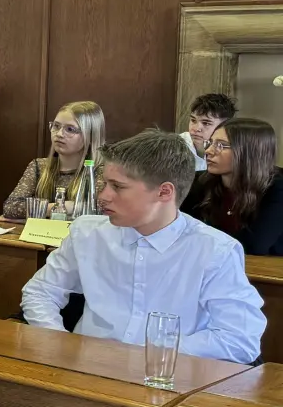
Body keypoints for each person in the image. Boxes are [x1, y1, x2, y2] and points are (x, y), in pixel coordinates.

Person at [20, 129, 264, 364]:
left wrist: (151, 355)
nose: (102, 196)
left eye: (118, 186)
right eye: (104, 183)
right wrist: (59, 344)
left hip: (167, 381)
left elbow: (240, 339)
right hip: (86, 371)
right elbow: (40, 292)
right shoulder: (87, 233)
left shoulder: (215, 251)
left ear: (164, 192)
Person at [183, 118, 283, 255]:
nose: (208, 151)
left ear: (249, 153)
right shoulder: (197, 181)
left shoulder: (277, 188)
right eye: (210, 143)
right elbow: (181, 232)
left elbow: (253, 246)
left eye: (221, 146)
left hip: (263, 271)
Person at [0, 101, 107, 221]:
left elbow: (100, 210)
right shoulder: (39, 166)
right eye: (56, 126)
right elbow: (11, 207)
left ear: (90, 136)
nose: (59, 134)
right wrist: (63, 207)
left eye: (70, 129)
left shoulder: (100, 171)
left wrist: (36, 213)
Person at [180, 92, 237, 173]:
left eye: (206, 123)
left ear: (225, 125)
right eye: (193, 120)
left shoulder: (229, 151)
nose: (196, 129)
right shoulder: (176, 145)